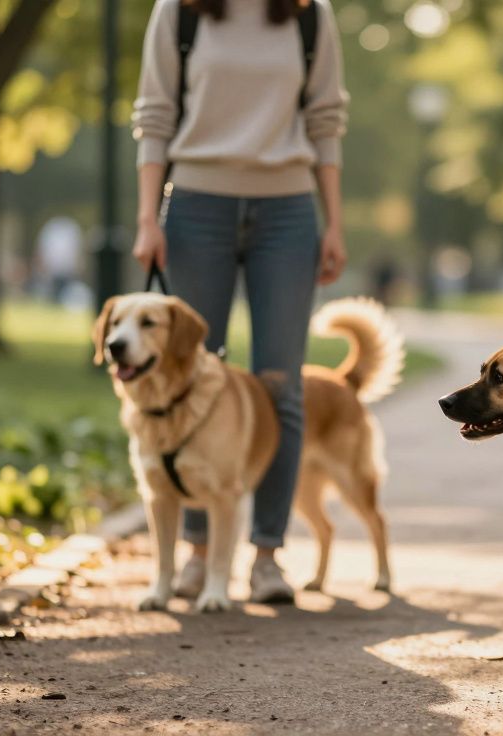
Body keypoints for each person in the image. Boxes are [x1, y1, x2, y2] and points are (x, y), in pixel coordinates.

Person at [130, 0, 349, 603]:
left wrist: (333, 223)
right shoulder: (180, 13)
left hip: (288, 213)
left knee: (281, 383)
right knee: (191, 373)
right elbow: (155, 114)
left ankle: (268, 554)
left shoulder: (308, 16)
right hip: (197, 206)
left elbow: (326, 118)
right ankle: (200, 553)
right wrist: (149, 218)